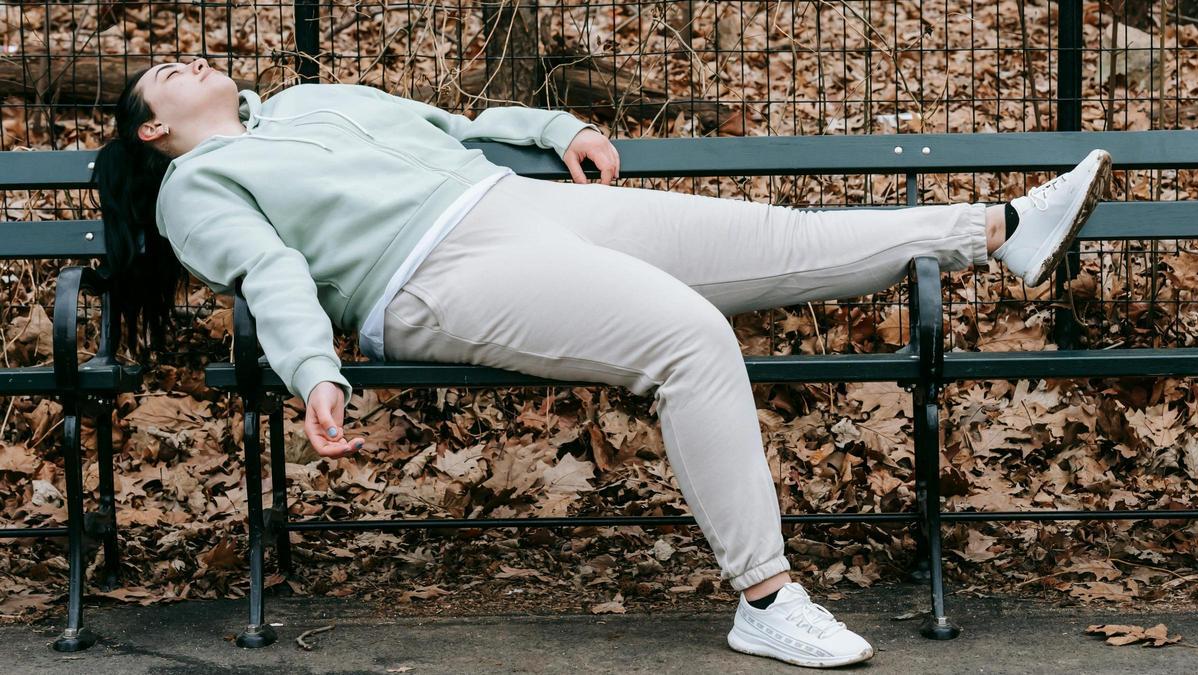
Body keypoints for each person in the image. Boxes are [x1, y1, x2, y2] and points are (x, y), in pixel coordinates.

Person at [92, 57, 1111, 668]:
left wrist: (558, 126)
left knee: (781, 240)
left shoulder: (313, 99)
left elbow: (455, 128)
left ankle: (1002, 229)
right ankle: (767, 602)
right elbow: (270, 271)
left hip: (525, 204)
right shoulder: (198, 186)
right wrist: (313, 368)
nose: (187, 64)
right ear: (155, 127)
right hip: (430, 277)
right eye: (164, 78)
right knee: (690, 339)